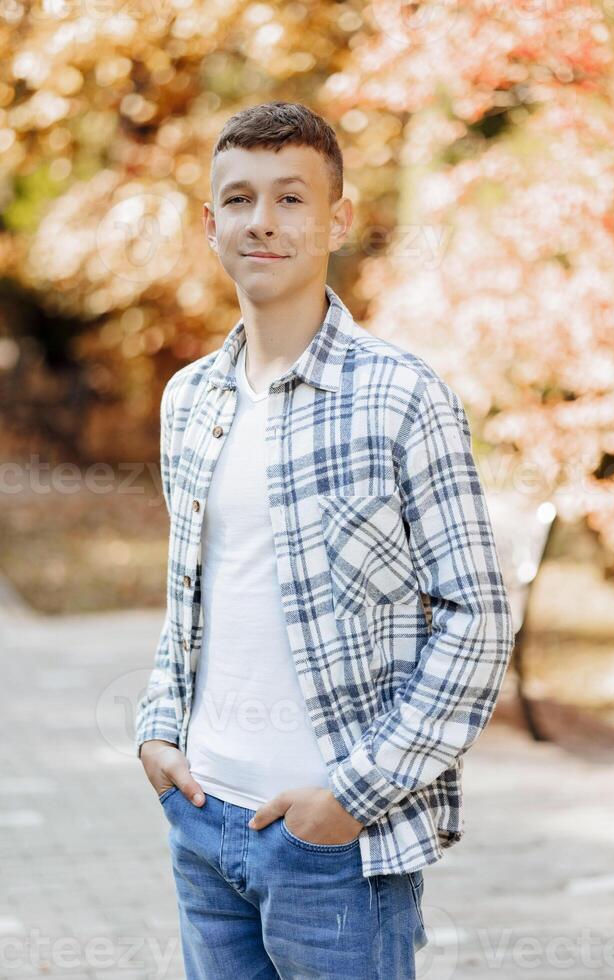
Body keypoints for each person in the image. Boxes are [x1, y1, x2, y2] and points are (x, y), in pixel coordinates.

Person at [136, 101, 515, 979]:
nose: (261, 221)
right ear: (211, 223)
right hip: (201, 822)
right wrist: (159, 735)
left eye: (291, 199)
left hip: (335, 848)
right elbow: (188, 594)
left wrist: (356, 797)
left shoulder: (402, 397)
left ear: (338, 219)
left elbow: (479, 619)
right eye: (238, 200)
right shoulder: (189, 400)